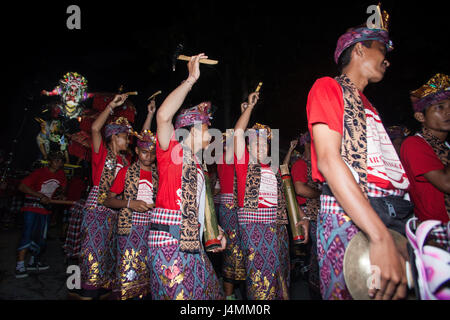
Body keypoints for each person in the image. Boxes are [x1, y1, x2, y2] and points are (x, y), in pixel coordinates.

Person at [306, 6, 410, 300]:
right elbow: (328, 160)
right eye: (381, 48)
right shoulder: (328, 87)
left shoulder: (369, 106)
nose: (387, 59)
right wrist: (378, 235)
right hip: (351, 216)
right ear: (360, 50)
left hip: (386, 213)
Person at [152, 53, 225, 300]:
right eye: (206, 127)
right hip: (170, 244)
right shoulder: (171, 150)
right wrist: (191, 79)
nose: (210, 133)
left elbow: (197, 208)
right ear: (191, 130)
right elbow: (163, 116)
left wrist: (216, 229)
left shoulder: (197, 165)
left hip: (192, 242)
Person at [234, 92, 290, 300]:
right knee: (260, 278)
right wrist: (249, 107)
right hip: (254, 228)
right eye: (255, 144)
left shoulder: (273, 168)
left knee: (279, 275)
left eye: (264, 144)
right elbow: (238, 133)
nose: (260, 147)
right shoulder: (244, 164)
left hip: (276, 228)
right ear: (248, 148)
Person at [78, 94, 131, 299]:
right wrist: (111, 106)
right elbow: (94, 129)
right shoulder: (102, 153)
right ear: (114, 137)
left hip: (115, 211)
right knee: (93, 250)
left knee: (109, 253)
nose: (128, 140)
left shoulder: (126, 162)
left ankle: (102, 291)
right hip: (96, 209)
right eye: (125, 136)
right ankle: (87, 292)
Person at [105, 130, 158, 300]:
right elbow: (108, 200)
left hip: (153, 230)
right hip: (130, 229)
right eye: (144, 152)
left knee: (149, 271)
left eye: (152, 153)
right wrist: (129, 203)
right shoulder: (126, 172)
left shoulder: (159, 175)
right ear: (136, 151)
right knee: (129, 271)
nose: (148, 156)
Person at [400, 73, 450, 223]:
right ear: (421, 117)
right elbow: (447, 183)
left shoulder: (445, 147)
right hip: (436, 232)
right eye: (439, 107)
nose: (448, 112)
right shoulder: (414, 144)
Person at [15, 151, 67, 278]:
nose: (58, 163)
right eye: (56, 160)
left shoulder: (61, 175)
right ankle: (20, 265)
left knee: (41, 237)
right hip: (31, 208)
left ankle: (34, 261)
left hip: (45, 210)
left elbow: (61, 191)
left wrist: (60, 196)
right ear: (50, 161)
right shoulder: (39, 172)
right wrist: (39, 196)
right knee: (27, 234)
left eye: (60, 161)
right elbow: (22, 186)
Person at [287, 132, 322, 299]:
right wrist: (321, 194)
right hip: (307, 214)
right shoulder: (300, 163)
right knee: (316, 258)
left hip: (316, 216)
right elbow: (300, 189)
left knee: (318, 257)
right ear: (308, 144)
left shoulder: (314, 165)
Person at [216, 132, 245, 300]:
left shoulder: (240, 159)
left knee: (243, 250)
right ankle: (229, 296)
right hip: (228, 210)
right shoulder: (224, 158)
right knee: (231, 252)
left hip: (241, 210)